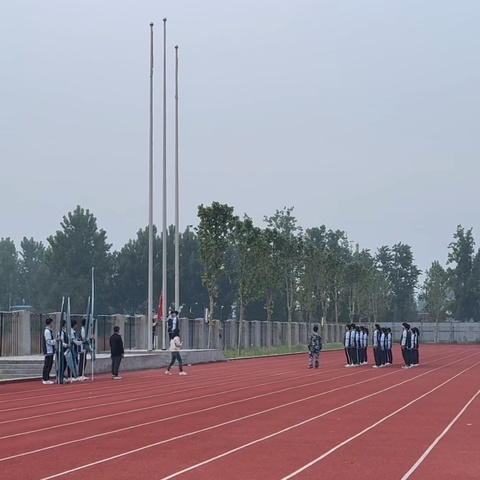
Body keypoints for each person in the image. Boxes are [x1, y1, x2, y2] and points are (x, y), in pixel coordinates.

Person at [42, 318, 59, 384]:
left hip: (51, 351)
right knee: (47, 364)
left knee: (49, 364)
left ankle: (47, 377)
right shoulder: (47, 331)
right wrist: (55, 340)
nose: (53, 324)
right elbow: (48, 341)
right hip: (48, 350)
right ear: (49, 323)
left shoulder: (49, 331)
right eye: (52, 323)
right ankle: (45, 378)